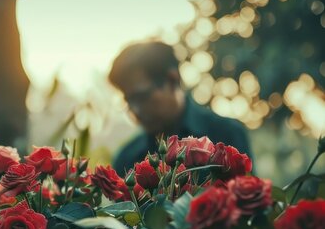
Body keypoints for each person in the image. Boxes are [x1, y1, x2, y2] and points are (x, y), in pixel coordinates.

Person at [108, 41, 253, 175]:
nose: (135, 110)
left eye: (142, 97)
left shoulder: (227, 135)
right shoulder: (126, 159)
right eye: (129, 101)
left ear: (172, 80)